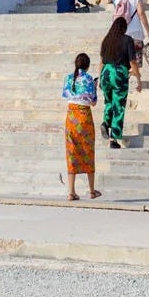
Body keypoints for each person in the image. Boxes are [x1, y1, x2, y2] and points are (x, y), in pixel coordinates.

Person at [61, 53, 101, 201]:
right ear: (88, 65)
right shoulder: (89, 79)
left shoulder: (68, 78)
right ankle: (91, 190)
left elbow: (66, 95)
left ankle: (71, 192)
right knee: (88, 151)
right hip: (84, 117)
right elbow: (93, 102)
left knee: (71, 152)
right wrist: (95, 87)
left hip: (71, 117)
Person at [98, 17, 141, 149]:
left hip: (106, 72)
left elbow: (101, 62)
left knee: (109, 102)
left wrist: (100, 78)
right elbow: (133, 62)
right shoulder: (127, 39)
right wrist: (138, 78)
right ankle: (113, 139)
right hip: (119, 73)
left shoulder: (106, 40)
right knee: (118, 107)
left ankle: (106, 122)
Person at [114, 0, 149, 72]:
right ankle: (135, 78)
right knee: (136, 60)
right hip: (135, 32)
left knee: (124, 59)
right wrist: (148, 31)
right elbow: (141, 13)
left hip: (122, 33)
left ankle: (125, 76)